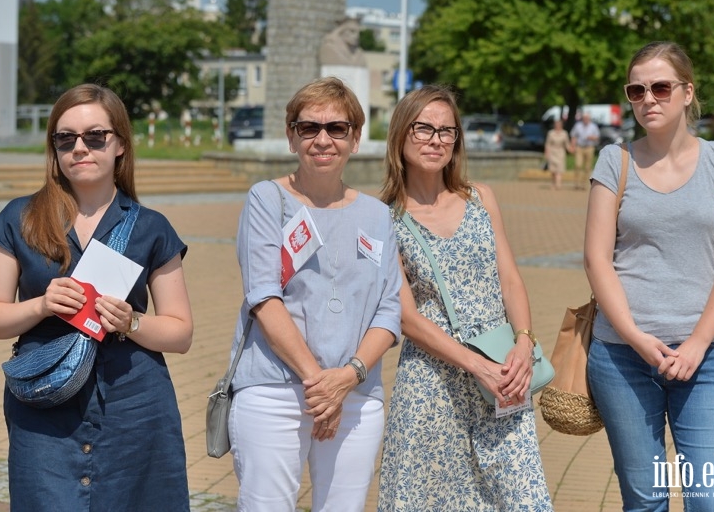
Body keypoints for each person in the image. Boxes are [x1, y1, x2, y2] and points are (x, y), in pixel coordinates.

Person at [0, 84, 194, 511]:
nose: (80, 147)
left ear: (120, 147)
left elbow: (181, 332)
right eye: (65, 138)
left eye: (95, 136)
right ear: (53, 148)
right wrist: (40, 305)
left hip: (134, 399)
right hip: (45, 399)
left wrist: (131, 321)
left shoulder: (153, 227)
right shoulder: (18, 218)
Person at [584, 41, 714, 508]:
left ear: (687, 91)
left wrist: (697, 342)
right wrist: (636, 337)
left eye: (660, 87)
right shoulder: (613, 162)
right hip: (623, 358)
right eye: (636, 90)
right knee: (646, 501)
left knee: (713, 499)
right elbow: (597, 260)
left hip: (706, 359)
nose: (648, 99)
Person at [227, 76, 401, 511]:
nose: (323, 139)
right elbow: (264, 297)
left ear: (356, 138)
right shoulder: (268, 200)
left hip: (355, 394)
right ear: (291, 136)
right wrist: (319, 384)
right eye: (309, 128)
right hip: (274, 390)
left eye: (337, 129)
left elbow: (389, 308)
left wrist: (347, 379)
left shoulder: (378, 216)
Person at [377, 85, 552, 510]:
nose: (435, 139)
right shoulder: (383, 216)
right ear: (401, 133)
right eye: (423, 129)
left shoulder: (479, 197)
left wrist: (524, 343)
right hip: (431, 386)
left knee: (524, 498)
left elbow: (509, 278)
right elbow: (406, 316)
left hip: (502, 379)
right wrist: (477, 365)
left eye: (446, 131)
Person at [569, 110, 600, 188]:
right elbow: (573, 136)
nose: (585, 119)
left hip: (589, 147)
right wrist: (572, 146)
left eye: (587, 118)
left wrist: (592, 137)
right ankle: (576, 183)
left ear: (589, 118)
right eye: (584, 118)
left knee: (587, 167)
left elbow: (597, 137)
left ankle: (584, 184)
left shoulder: (593, 126)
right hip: (579, 147)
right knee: (578, 165)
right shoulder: (578, 125)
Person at [544, 118, 571, 189]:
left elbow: (567, 144)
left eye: (559, 124)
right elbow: (548, 144)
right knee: (553, 170)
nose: (558, 126)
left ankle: (558, 184)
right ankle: (553, 183)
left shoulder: (564, 133)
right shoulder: (551, 133)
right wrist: (547, 152)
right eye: (556, 124)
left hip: (560, 152)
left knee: (559, 169)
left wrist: (571, 149)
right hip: (552, 152)